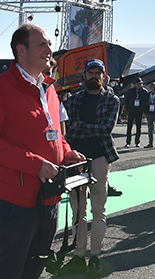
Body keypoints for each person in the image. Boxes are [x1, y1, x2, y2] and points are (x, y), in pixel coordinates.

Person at [0, 24, 85, 279]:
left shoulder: (49, 88)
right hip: (14, 201)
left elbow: (54, 134)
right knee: (8, 271)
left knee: (35, 268)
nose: (49, 49)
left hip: (49, 197)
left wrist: (66, 152)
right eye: (42, 44)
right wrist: (35, 164)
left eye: (48, 44)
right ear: (21, 50)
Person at [59, 58, 120, 276]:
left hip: (100, 158)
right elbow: (68, 131)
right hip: (76, 160)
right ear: (84, 75)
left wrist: (80, 126)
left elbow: (106, 129)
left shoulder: (112, 100)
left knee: (98, 208)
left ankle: (95, 255)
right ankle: (78, 254)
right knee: (78, 209)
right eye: (90, 72)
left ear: (104, 76)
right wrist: (83, 128)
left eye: (98, 73)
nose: (94, 76)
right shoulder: (73, 100)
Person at [124, 80, 148, 148]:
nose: (139, 85)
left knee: (138, 127)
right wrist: (128, 108)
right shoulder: (131, 91)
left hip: (139, 111)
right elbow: (127, 100)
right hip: (131, 110)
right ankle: (128, 142)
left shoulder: (144, 92)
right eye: (138, 83)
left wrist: (144, 110)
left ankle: (137, 142)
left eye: (140, 84)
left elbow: (146, 102)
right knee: (129, 127)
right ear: (135, 84)